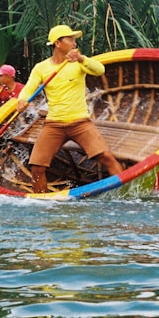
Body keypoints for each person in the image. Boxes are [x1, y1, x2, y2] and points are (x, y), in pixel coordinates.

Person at [16, 25, 123, 193]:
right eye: (70, 39)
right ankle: (42, 203)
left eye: (74, 39)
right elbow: (29, 88)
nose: (74, 43)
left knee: (106, 157)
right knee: (37, 167)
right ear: (58, 43)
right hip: (54, 124)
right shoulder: (41, 68)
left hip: (80, 122)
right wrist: (22, 100)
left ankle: (124, 191)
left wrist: (81, 59)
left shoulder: (79, 62)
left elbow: (99, 70)